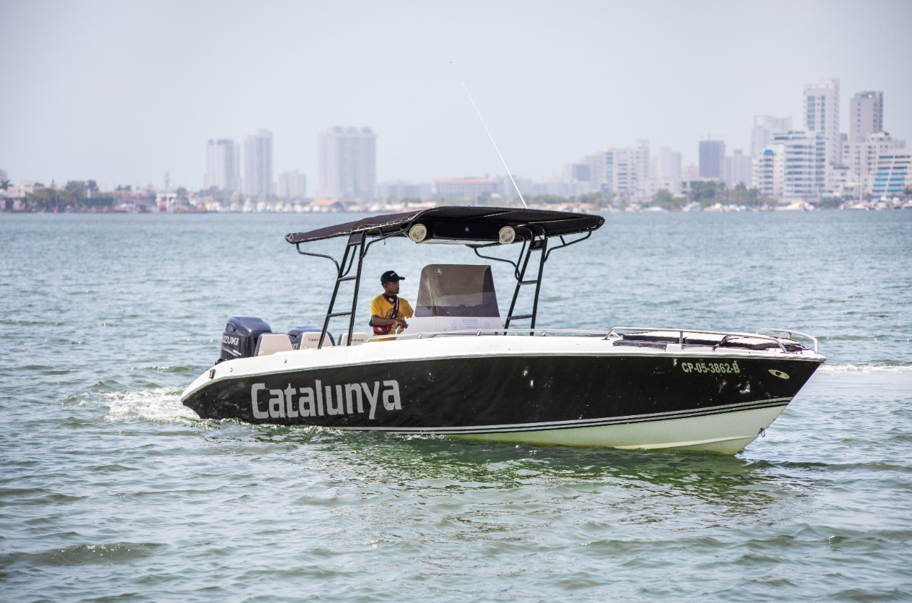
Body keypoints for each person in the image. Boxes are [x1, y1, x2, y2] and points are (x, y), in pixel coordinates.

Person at [370, 270, 414, 341]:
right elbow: (374, 320)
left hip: (401, 340)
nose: (397, 285)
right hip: (381, 342)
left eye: (398, 282)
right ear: (385, 286)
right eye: (394, 282)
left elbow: (415, 318)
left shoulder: (404, 302)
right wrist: (395, 321)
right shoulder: (377, 301)